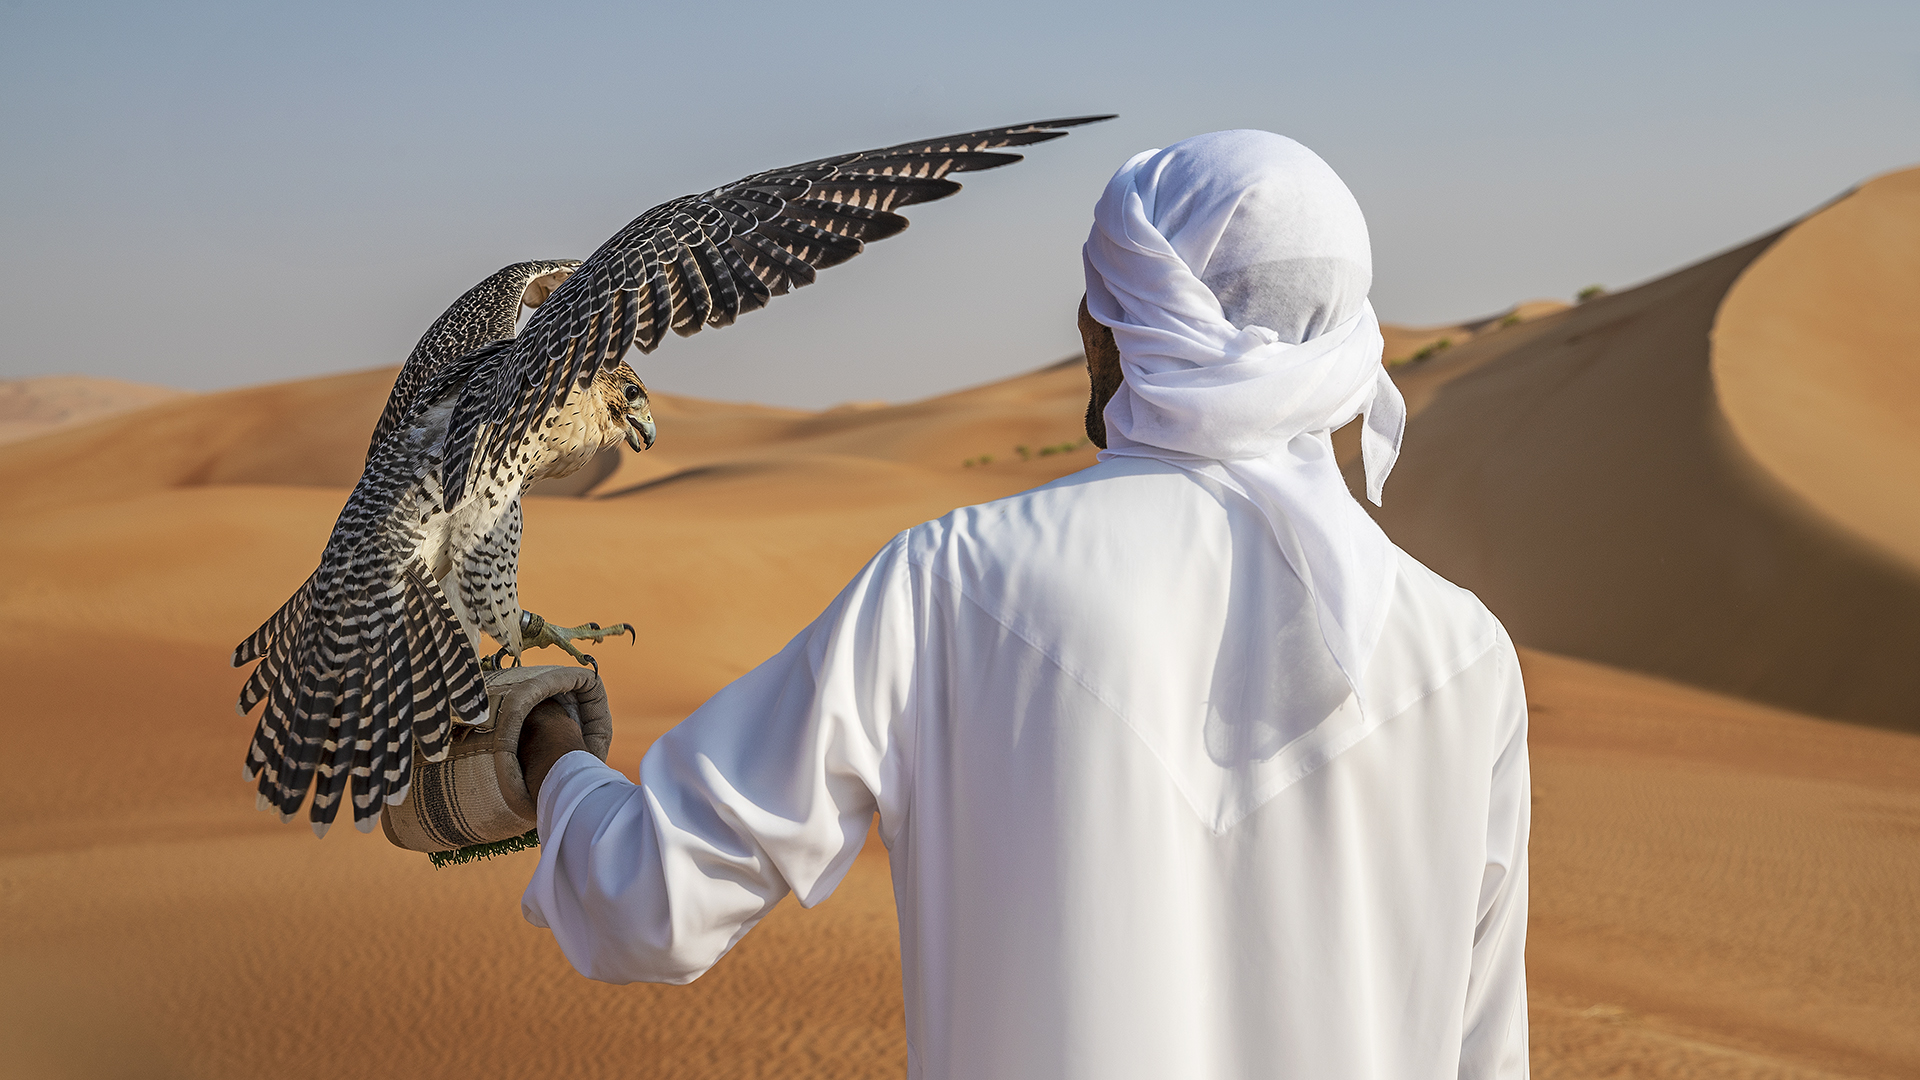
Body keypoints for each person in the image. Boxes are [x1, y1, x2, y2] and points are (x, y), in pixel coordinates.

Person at [518, 130, 1531, 1080]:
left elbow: (648, 903)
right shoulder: (1468, 655)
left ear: (1117, 322)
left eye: (1097, 296)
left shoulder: (952, 583)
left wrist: (548, 752)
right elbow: (1488, 1053)